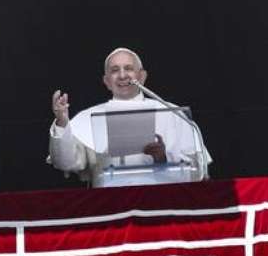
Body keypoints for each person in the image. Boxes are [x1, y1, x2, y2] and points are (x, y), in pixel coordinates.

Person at [48, 47, 211, 185]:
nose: (122, 75)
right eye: (114, 70)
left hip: (161, 201)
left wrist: (162, 158)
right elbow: (65, 163)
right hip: (108, 205)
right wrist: (62, 122)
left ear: (142, 76)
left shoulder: (172, 113)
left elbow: (198, 172)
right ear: (106, 81)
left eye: (128, 68)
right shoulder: (88, 116)